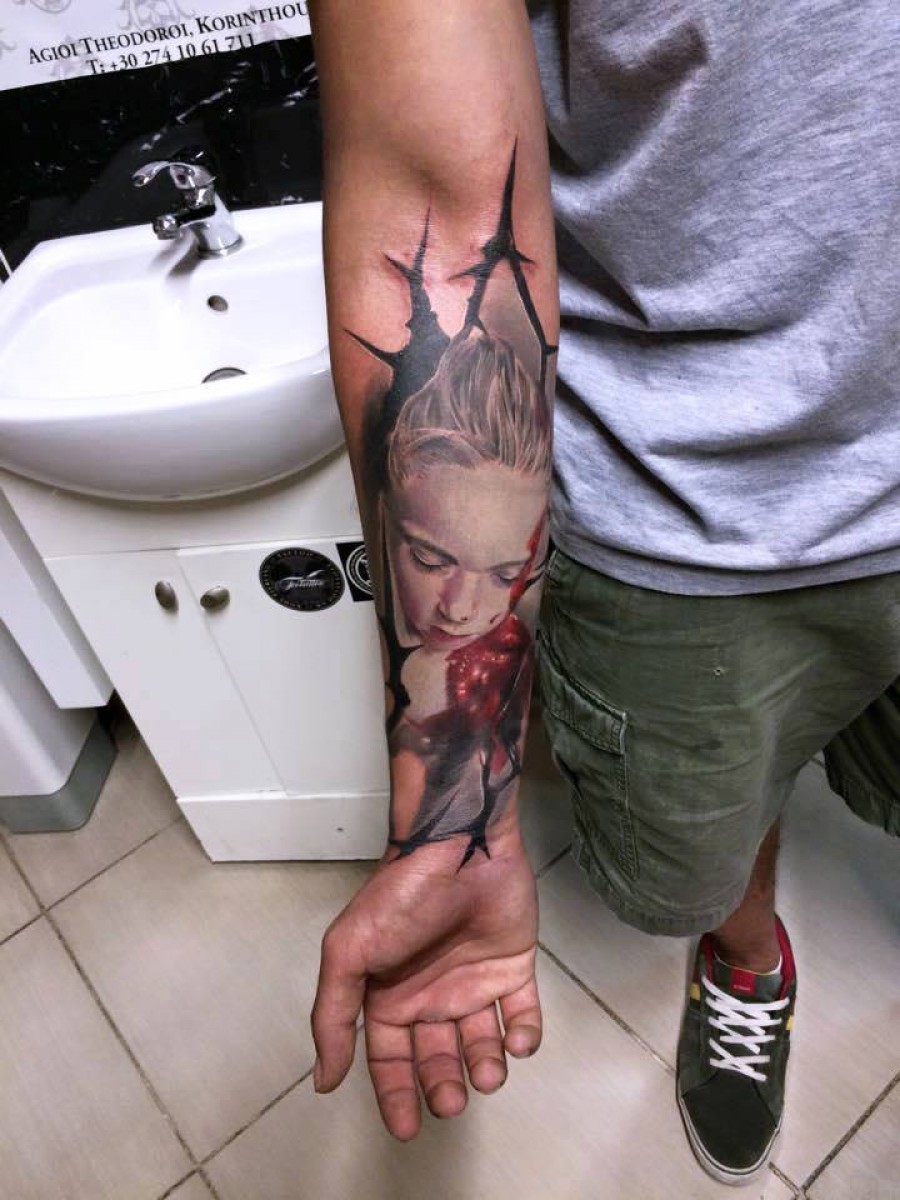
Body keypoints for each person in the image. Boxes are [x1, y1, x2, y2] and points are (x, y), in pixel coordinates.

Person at [308, 0, 900, 1185]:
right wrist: (451, 815)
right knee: (710, 837)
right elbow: (440, 219)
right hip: (682, 518)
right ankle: (745, 956)